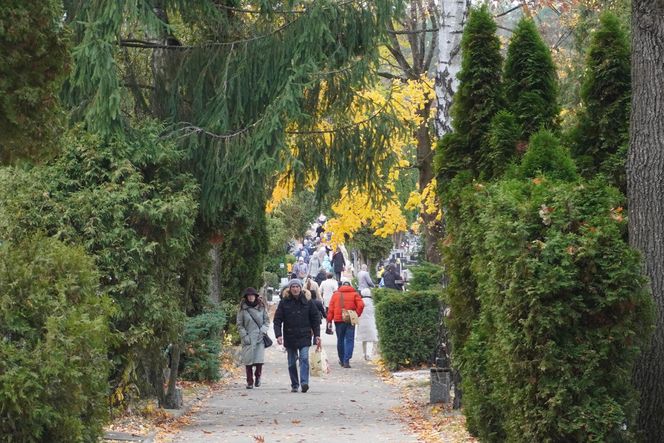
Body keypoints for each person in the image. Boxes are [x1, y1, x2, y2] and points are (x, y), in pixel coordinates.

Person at [274, 279, 322, 393]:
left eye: (297, 286)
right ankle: (295, 384)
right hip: (290, 335)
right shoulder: (284, 302)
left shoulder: (308, 301)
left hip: (304, 335)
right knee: (291, 362)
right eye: (293, 287)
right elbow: (277, 320)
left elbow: (315, 318)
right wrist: (278, 335)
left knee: (304, 358)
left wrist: (317, 335)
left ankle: (304, 382)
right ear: (290, 289)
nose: (295, 289)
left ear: (301, 288)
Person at [236, 287, 270, 389]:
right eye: (249, 296)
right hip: (248, 338)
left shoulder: (261, 307)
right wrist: (244, 336)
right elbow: (239, 324)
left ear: (256, 296)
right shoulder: (242, 309)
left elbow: (267, 321)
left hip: (260, 337)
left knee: (259, 360)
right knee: (248, 361)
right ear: (246, 297)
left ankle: (258, 377)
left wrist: (263, 331)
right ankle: (249, 381)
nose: (251, 297)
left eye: (252, 295)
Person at [326, 282, 364, 368]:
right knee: (350, 339)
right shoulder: (355, 294)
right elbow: (361, 305)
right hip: (350, 319)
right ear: (350, 286)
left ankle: (342, 359)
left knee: (340, 339)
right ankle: (347, 360)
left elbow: (331, 308)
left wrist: (329, 320)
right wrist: (356, 314)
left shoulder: (335, 295)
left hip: (338, 320)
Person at [356, 288, 378, 360]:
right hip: (371, 321)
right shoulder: (373, 302)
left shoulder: (360, 301)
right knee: (373, 339)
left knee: (364, 340)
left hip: (362, 322)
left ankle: (364, 354)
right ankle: (371, 354)